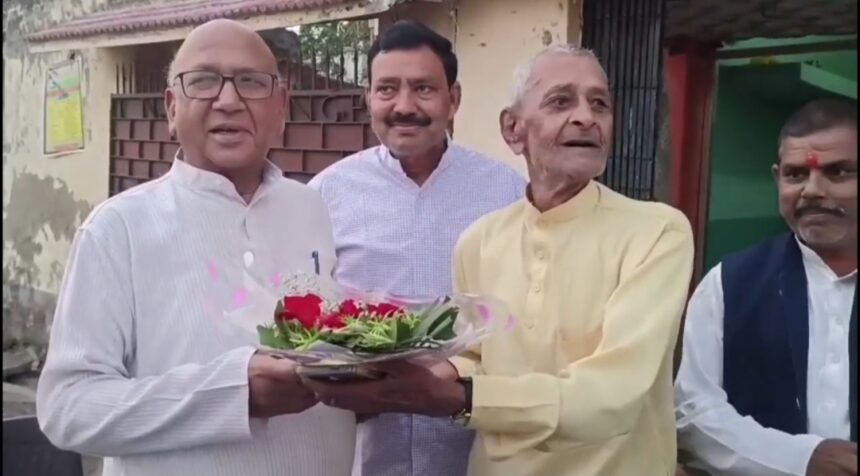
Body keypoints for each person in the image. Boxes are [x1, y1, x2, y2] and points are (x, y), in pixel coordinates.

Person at [302, 44, 695, 476]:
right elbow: (476, 355)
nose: (586, 117)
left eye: (599, 103)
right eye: (561, 101)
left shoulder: (657, 232)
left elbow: (616, 391)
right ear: (513, 129)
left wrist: (460, 398)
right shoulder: (480, 240)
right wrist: (401, 376)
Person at [35, 19, 356, 476]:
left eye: (251, 82)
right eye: (203, 81)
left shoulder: (310, 208)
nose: (228, 100)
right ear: (171, 107)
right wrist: (235, 394)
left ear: (281, 107)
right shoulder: (117, 229)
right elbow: (68, 408)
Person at [307, 20, 525, 476]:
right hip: (360, 452)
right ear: (368, 98)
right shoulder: (326, 195)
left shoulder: (505, 193)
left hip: (473, 450)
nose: (404, 106)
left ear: (454, 99)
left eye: (423, 89)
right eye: (387, 89)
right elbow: (305, 315)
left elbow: (523, 317)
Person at [675, 98, 858, 476]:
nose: (812, 190)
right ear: (777, 179)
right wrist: (799, 459)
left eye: (838, 172)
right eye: (796, 175)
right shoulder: (729, 285)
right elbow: (693, 413)